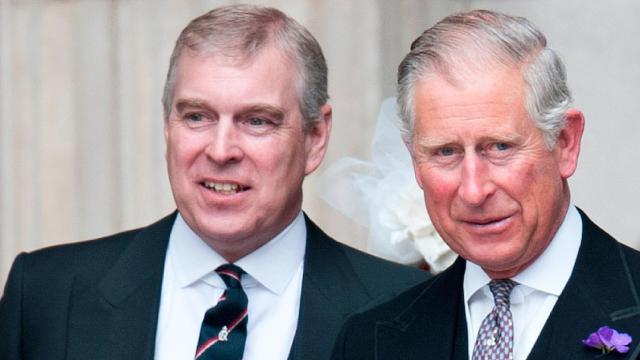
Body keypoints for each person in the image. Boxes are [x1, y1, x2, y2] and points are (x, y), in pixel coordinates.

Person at [0, 5, 427, 360]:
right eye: (197, 117)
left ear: (315, 137)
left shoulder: (410, 311)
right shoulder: (46, 294)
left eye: (257, 121)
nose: (221, 150)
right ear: (168, 125)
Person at [332, 9, 640, 360]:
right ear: (414, 159)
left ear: (566, 142)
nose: (473, 191)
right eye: (445, 152)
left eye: (500, 147)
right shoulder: (368, 341)